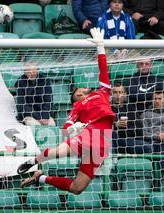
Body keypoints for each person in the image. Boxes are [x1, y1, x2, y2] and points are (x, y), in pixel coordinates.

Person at [17, 28, 115, 195]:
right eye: (77, 94)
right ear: (74, 98)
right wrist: (72, 127)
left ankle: (40, 178)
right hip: (89, 134)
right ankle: (33, 161)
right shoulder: (77, 107)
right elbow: (69, 121)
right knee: (58, 152)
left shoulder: (102, 92)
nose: (80, 93)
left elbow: (103, 69)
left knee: (77, 188)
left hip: (102, 141)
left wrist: (100, 47)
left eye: (82, 91)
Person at [111, 82, 151, 154]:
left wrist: (125, 126)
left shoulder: (131, 108)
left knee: (148, 147)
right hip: (113, 140)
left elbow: (139, 127)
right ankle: (112, 163)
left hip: (129, 141)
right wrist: (115, 125)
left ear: (125, 94)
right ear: (111, 94)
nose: (118, 95)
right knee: (112, 135)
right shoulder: (107, 108)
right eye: (115, 92)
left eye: (120, 92)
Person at [15, 61, 55, 126]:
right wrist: (38, 117)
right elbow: (22, 105)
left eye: (34, 70)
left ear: (38, 71)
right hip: (29, 115)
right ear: (25, 72)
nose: (32, 73)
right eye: (29, 70)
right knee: (35, 125)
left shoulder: (45, 80)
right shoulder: (20, 82)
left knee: (51, 124)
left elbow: (48, 101)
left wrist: (44, 116)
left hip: (44, 115)